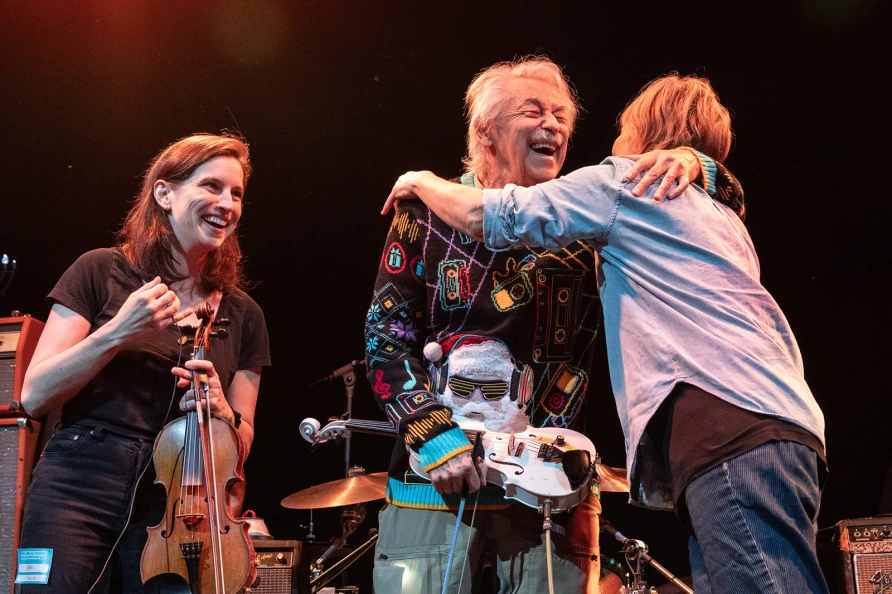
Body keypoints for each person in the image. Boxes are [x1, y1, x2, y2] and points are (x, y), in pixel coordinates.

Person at [384, 73, 829, 594]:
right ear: (485, 130)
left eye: (562, 117)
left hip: (565, 485)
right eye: (533, 112)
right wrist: (431, 432)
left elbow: (493, 218)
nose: (553, 125)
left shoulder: (603, 210)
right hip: (437, 477)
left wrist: (415, 177)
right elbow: (385, 338)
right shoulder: (428, 218)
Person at [18, 132, 271, 593]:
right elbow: (34, 395)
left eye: (237, 194)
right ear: (164, 193)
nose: (228, 204)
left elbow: (244, 439)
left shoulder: (245, 315)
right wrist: (115, 333)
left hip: (179, 501)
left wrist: (222, 411)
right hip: (79, 486)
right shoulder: (99, 270)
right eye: (211, 186)